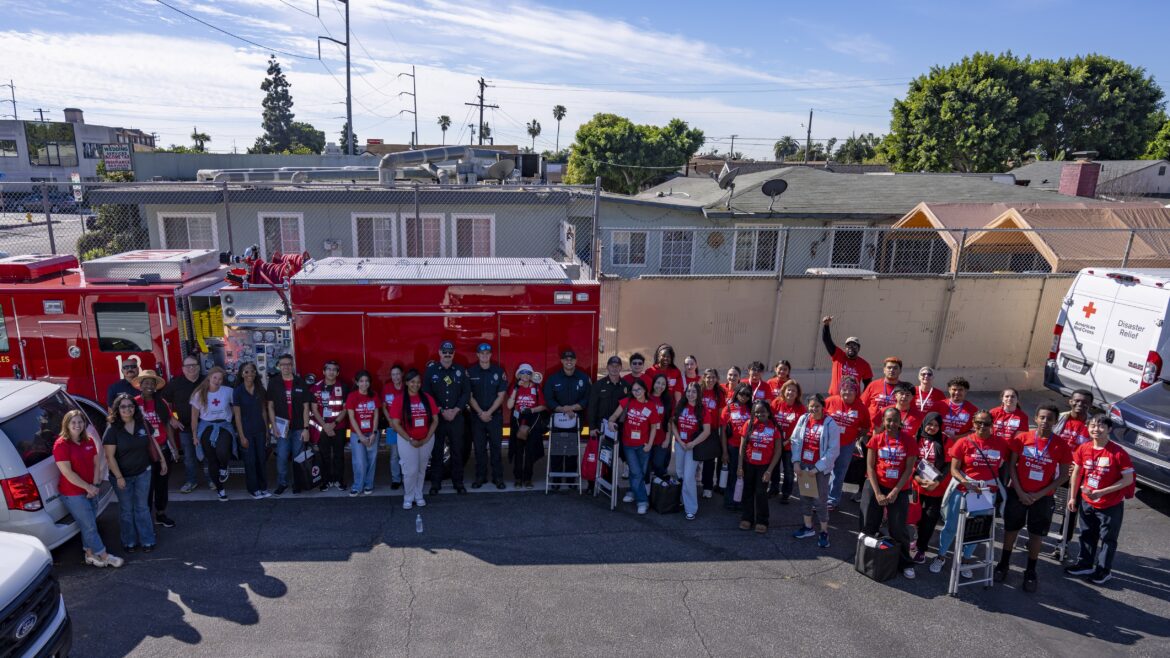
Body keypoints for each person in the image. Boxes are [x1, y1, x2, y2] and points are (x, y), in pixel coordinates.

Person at [997, 404, 1071, 592]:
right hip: (1018, 493)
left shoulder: (1061, 445)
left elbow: (1063, 475)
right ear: (1036, 419)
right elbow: (1012, 465)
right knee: (1011, 530)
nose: (1046, 422)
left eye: (1050, 419)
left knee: (1036, 535)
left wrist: (1038, 494)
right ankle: (1003, 564)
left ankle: (1030, 571)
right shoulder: (1022, 438)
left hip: (1042, 497)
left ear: (1055, 422)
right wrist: (1020, 492)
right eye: (1042, 418)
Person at [932, 411, 1010, 577]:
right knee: (951, 526)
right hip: (963, 489)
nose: (982, 426)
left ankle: (966, 559)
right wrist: (965, 482)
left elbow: (1003, 466)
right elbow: (954, 469)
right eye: (978, 423)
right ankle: (941, 555)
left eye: (986, 423)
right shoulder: (963, 442)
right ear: (973, 423)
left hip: (986, 493)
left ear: (992, 424)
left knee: (976, 527)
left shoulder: (1001, 443)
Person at [1064, 414, 1135, 585]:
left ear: (1109, 429)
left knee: (1108, 539)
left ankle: (1103, 570)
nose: (1096, 429)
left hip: (1110, 504)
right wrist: (1073, 497)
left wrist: (1102, 492)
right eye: (1093, 426)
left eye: (1101, 426)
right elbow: (1077, 472)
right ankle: (1085, 564)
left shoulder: (1118, 453)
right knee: (1087, 534)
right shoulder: (1084, 448)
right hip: (1087, 501)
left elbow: (1128, 480)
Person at [55, 410, 124, 568]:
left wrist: (95, 485)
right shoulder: (61, 445)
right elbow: (67, 473)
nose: (77, 425)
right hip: (73, 494)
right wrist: (87, 487)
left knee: (90, 523)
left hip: (91, 489)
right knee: (90, 526)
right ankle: (105, 556)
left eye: (80, 422)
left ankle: (89, 554)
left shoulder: (89, 441)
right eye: (73, 422)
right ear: (66, 424)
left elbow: (95, 465)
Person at [862, 408, 919, 579]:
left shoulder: (909, 441)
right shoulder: (876, 439)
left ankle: (905, 563)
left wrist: (895, 491)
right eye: (888, 420)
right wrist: (878, 493)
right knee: (869, 523)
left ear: (900, 421)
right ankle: (867, 557)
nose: (891, 424)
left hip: (899, 488)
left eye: (895, 420)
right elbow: (870, 467)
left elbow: (909, 469)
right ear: (883, 421)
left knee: (897, 528)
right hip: (876, 485)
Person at [103, 394, 160, 552]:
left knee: (142, 508)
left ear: (135, 408)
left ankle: (147, 540)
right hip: (122, 477)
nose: (127, 409)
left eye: (130, 406)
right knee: (127, 510)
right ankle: (129, 542)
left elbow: (153, 442)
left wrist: (162, 460)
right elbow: (109, 457)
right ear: (117, 409)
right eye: (123, 406)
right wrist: (119, 477)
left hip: (143, 472)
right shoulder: (112, 429)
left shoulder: (143, 423)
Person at [790, 394, 841, 548]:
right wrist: (796, 462)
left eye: (817, 406)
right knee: (805, 497)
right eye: (811, 406)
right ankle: (808, 527)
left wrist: (817, 468)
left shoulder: (830, 424)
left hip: (820, 468)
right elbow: (795, 441)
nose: (814, 409)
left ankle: (824, 531)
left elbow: (833, 450)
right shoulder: (803, 419)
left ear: (823, 407)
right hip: (804, 466)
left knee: (820, 501)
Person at [424, 340, 471, 496]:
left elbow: (466, 393)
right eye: (444, 351)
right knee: (437, 452)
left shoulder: (460, 370)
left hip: (456, 418)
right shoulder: (431, 371)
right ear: (439, 353)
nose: (447, 354)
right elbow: (427, 393)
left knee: (457, 452)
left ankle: (458, 483)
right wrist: (441, 410)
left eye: (450, 352)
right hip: (438, 418)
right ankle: (435, 484)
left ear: (454, 354)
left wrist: (456, 410)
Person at [388, 369, 439, 510]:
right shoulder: (399, 400)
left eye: (418, 382)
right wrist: (410, 439)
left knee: (422, 469)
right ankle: (408, 497)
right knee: (410, 470)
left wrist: (426, 438)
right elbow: (395, 424)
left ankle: (418, 494)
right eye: (412, 382)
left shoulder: (427, 398)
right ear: (406, 383)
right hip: (407, 440)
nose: (415, 384)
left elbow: (435, 420)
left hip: (426, 440)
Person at [133, 370, 177, 529]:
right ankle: (146, 518)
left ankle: (160, 514)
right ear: (140, 385)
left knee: (162, 484)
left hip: (163, 449)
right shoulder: (134, 403)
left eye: (152, 383)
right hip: (144, 452)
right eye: (146, 383)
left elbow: (167, 425)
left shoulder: (162, 402)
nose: (149, 386)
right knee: (146, 486)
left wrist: (174, 447)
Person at [609, 379, 661, 514]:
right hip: (628, 445)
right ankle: (643, 501)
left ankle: (632, 491)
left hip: (643, 445)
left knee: (640, 473)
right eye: (634, 390)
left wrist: (649, 444)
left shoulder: (650, 406)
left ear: (644, 390)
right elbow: (614, 415)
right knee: (637, 472)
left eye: (638, 389)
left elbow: (654, 427)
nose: (636, 392)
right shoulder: (627, 401)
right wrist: (610, 422)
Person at [1053, 388, 1093, 556]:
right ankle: (1037, 536)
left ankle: (1063, 543)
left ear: (1090, 405)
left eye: (1084, 402)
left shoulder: (1093, 424)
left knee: (1070, 508)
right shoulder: (1060, 418)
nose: (1080, 404)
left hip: (1077, 473)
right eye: (1076, 401)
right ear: (1070, 401)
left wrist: (1078, 465)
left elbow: (1095, 450)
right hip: (1053, 469)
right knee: (1047, 505)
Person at [543, 349, 591, 489]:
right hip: (558, 418)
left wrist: (574, 407)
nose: (569, 361)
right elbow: (549, 399)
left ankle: (571, 479)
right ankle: (556, 479)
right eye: (566, 359)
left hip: (576, 419)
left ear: (575, 361)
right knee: (557, 449)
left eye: (571, 359)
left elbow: (587, 398)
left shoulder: (583, 377)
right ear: (562, 361)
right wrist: (563, 409)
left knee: (572, 449)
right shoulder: (553, 378)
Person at [266, 354, 313, 496]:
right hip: (282, 427)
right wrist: (273, 426)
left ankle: (297, 483)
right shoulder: (274, 383)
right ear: (279, 366)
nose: (286, 367)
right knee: (281, 456)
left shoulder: (300, 382)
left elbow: (306, 407)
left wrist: (306, 429)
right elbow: (270, 406)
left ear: (292, 366)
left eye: (288, 364)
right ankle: (282, 483)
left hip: (298, 427)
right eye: (283, 364)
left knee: (298, 457)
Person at [824, 376, 871, 510]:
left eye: (851, 390)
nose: (847, 393)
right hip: (827, 442)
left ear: (856, 392)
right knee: (823, 469)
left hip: (846, 444)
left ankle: (832, 500)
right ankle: (819, 496)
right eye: (844, 389)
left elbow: (866, 427)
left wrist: (855, 436)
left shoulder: (861, 407)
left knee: (839, 472)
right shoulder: (830, 401)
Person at [911, 412, 951, 564]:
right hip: (917, 484)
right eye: (929, 424)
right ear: (924, 423)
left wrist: (936, 482)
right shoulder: (916, 438)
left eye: (936, 425)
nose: (932, 428)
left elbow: (948, 465)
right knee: (915, 516)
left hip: (936, 487)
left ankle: (922, 548)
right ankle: (915, 538)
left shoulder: (945, 439)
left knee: (929, 518)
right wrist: (917, 478)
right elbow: (910, 460)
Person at [191, 367, 236, 502]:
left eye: (220, 378)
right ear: (209, 377)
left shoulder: (228, 391)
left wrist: (230, 418)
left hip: (224, 425)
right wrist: (194, 435)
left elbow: (235, 408)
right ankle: (220, 489)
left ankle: (224, 467)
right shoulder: (199, 394)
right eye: (215, 377)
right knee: (211, 459)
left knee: (222, 451)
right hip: (206, 426)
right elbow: (194, 417)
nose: (217, 381)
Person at [737, 401, 782, 534]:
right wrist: (740, 466)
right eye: (756, 412)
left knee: (761, 493)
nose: (759, 414)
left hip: (765, 466)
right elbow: (742, 447)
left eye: (762, 411)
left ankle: (762, 520)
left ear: (768, 412)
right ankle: (747, 518)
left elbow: (778, 450)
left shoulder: (774, 427)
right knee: (748, 491)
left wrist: (770, 470)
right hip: (749, 464)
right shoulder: (749, 424)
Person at [468, 343, 508, 489]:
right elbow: (469, 396)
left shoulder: (499, 372)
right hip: (477, 417)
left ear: (491, 355)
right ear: (477, 355)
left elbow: (501, 395)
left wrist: (489, 413)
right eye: (481, 353)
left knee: (496, 448)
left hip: (494, 417)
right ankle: (480, 477)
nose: (484, 355)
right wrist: (480, 413)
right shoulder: (471, 372)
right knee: (479, 449)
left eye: (487, 353)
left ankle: (498, 478)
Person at [588, 356, 631, 492]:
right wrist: (592, 427)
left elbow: (627, 408)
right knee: (597, 456)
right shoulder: (598, 385)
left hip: (618, 427)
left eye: (617, 366)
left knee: (613, 457)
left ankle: (610, 484)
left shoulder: (625, 386)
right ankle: (592, 484)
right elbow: (592, 408)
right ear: (607, 367)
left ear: (621, 368)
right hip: (601, 427)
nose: (614, 368)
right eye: (612, 366)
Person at [167, 355, 207, 494]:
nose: (191, 368)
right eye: (187, 366)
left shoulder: (206, 381)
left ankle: (212, 480)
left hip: (205, 426)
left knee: (208, 455)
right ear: (183, 369)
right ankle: (191, 481)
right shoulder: (175, 383)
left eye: (193, 365)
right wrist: (172, 418)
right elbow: (165, 402)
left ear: (198, 366)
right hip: (185, 427)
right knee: (189, 457)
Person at [672, 382, 713, 520]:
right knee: (680, 473)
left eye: (694, 392)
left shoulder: (703, 410)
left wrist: (692, 443)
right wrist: (679, 440)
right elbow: (673, 424)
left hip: (693, 447)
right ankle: (683, 500)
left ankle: (691, 508)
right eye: (689, 391)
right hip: (680, 444)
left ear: (698, 394)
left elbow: (707, 431)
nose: (691, 394)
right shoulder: (680, 406)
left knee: (689, 476)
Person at [232, 362, 271, 499]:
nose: (250, 374)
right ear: (242, 374)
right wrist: (241, 436)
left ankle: (263, 487)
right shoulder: (237, 392)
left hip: (260, 430)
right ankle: (253, 489)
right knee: (250, 461)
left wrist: (267, 430)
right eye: (247, 371)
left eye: (253, 371)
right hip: (247, 431)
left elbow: (263, 412)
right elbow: (237, 416)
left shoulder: (260, 389)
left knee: (261, 459)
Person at [310, 360, 350, 492]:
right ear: (323, 371)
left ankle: (338, 480)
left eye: (334, 370)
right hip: (322, 428)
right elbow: (314, 410)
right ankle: (325, 481)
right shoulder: (316, 387)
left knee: (339, 455)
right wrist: (325, 426)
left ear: (338, 373)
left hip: (338, 427)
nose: (331, 372)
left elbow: (345, 409)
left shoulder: (344, 387)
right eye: (329, 369)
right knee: (324, 456)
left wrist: (334, 424)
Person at [508, 364, 548, 488]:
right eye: (522, 373)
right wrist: (515, 389)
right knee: (518, 451)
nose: (525, 375)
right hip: (518, 421)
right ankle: (518, 478)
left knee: (530, 452)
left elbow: (543, 406)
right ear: (518, 375)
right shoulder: (514, 387)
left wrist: (531, 410)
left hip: (533, 421)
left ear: (531, 375)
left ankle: (528, 479)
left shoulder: (536, 388)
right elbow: (509, 406)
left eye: (528, 373)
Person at [344, 371, 380, 496]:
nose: (364, 384)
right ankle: (358, 486)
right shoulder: (352, 396)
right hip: (357, 434)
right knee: (359, 461)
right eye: (362, 381)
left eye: (367, 381)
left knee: (372, 460)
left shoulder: (374, 395)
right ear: (357, 382)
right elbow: (351, 418)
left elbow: (376, 415)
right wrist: (360, 435)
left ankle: (369, 484)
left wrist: (374, 433)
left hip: (372, 433)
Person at [768, 379, 804, 502]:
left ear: (797, 393)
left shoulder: (801, 408)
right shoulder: (776, 403)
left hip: (791, 445)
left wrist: (787, 441)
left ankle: (786, 493)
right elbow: (769, 421)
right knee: (774, 468)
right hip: (775, 443)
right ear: (784, 390)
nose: (791, 392)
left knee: (789, 470)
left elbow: (800, 430)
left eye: (794, 390)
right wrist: (776, 440)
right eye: (789, 389)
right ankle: (773, 489)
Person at [821, 316, 873, 396]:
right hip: (835, 397)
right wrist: (826, 325)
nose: (851, 348)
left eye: (854, 346)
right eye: (848, 346)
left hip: (853, 400)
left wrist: (863, 399)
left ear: (859, 348)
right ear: (845, 348)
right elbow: (827, 340)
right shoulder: (838, 355)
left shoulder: (864, 365)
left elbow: (868, 384)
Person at [720, 384, 753, 511]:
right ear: (736, 393)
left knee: (745, 476)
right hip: (733, 448)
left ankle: (740, 502)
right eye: (742, 394)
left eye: (747, 395)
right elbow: (722, 432)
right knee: (733, 475)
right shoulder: (728, 408)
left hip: (748, 449)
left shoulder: (753, 409)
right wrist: (724, 452)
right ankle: (730, 502)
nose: (744, 397)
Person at [698, 368, 726, 498]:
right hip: (697, 430)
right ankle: (691, 483)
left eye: (713, 377)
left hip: (712, 430)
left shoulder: (719, 393)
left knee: (709, 460)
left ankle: (707, 486)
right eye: (708, 377)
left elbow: (721, 413)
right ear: (704, 378)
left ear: (717, 379)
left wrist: (720, 431)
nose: (710, 380)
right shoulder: (699, 391)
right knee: (695, 458)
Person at [381, 366, 406, 491]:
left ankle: (406, 478)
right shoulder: (387, 388)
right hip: (391, 426)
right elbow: (384, 406)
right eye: (393, 374)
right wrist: (389, 420)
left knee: (406, 454)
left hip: (405, 426)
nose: (395, 377)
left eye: (397, 374)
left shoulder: (406, 387)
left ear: (402, 374)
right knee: (394, 455)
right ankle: (396, 479)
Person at [861, 357, 905, 426]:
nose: (892, 370)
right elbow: (862, 406)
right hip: (871, 429)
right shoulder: (873, 385)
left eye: (895, 368)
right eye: (889, 367)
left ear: (900, 371)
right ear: (884, 370)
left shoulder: (904, 389)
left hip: (893, 430)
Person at [648, 374, 675, 483]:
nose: (660, 386)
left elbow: (668, 420)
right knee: (646, 466)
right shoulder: (647, 397)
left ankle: (660, 490)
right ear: (654, 383)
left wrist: (668, 439)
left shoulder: (667, 399)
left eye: (663, 384)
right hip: (647, 438)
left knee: (658, 463)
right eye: (658, 383)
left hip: (661, 438)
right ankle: (646, 489)